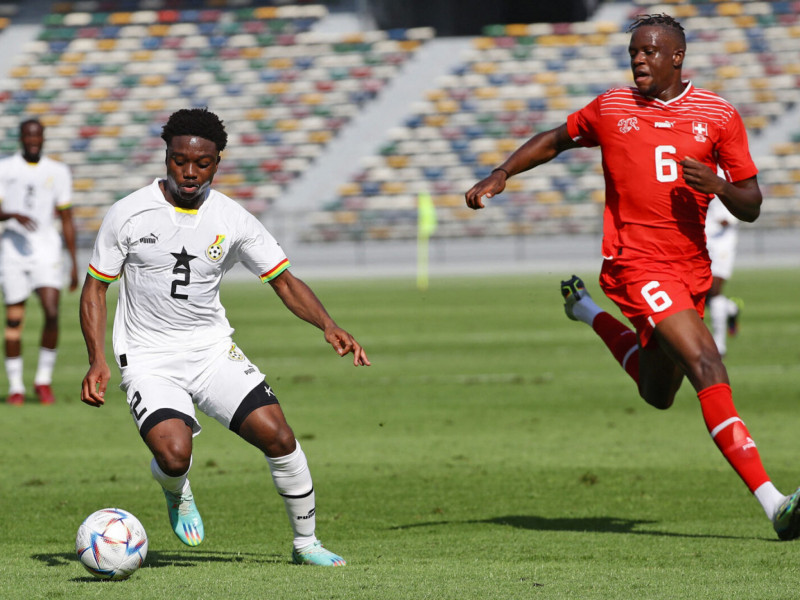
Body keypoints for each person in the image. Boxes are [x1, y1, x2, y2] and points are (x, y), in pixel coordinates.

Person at [465, 14, 800, 540]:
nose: (638, 60)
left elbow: (752, 204)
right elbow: (555, 139)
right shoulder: (612, 107)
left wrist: (716, 182)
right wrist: (502, 172)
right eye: (633, 52)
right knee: (706, 362)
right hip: (634, 263)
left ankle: (587, 312)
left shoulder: (718, 115)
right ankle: (775, 503)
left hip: (690, 267)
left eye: (648, 51)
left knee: (658, 392)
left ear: (676, 57)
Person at [79, 107, 370, 566]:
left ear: (218, 161)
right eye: (179, 161)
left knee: (279, 437)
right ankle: (176, 489)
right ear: (166, 156)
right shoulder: (128, 213)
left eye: (202, 163)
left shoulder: (234, 220)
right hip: (148, 358)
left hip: (212, 352)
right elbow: (96, 288)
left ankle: (305, 543)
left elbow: (285, 281)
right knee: (175, 456)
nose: (189, 172)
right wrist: (97, 358)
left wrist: (328, 325)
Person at [0, 118, 78, 405]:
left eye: (37, 137)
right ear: (21, 138)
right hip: (13, 251)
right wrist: (11, 214)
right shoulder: (5, 168)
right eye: (28, 137)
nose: (33, 141)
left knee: (51, 310)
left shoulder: (57, 171)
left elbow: (67, 218)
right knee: (13, 320)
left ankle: (43, 381)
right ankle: (16, 387)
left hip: (47, 250)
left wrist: (73, 263)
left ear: (43, 138)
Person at [705, 195, 741, 356]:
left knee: (714, 292)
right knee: (703, 295)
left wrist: (730, 219)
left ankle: (719, 346)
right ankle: (730, 308)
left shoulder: (727, 174)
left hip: (722, 242)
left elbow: (746, 203)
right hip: (702, 239)